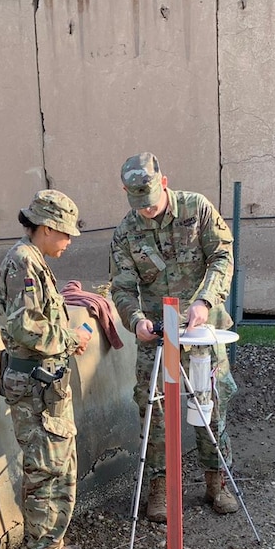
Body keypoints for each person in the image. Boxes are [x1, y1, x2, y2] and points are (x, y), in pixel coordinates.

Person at [109, 152, 240, 523]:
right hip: (157, 334)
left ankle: (216, 482)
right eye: (138, 204)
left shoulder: (196, 209)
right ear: (125, 192)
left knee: (210, 402)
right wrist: (134, 320)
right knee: (155, 411)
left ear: (163, 182)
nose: (147, 211)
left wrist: (205, 300)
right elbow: (121, 286)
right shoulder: (126, 233)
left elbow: (222, 256)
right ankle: (160, 488)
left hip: (201, 330)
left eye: (150, 202)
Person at [0, 189, 96, 549]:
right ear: (47, 228)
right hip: (36, 387)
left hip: (46, 385)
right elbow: (23, 326)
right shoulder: (23, 262)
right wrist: (72, 338)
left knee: (57, 468)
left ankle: (48, 545)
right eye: (65, 234)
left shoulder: (34, 260)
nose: (69, 241)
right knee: (46, 473)